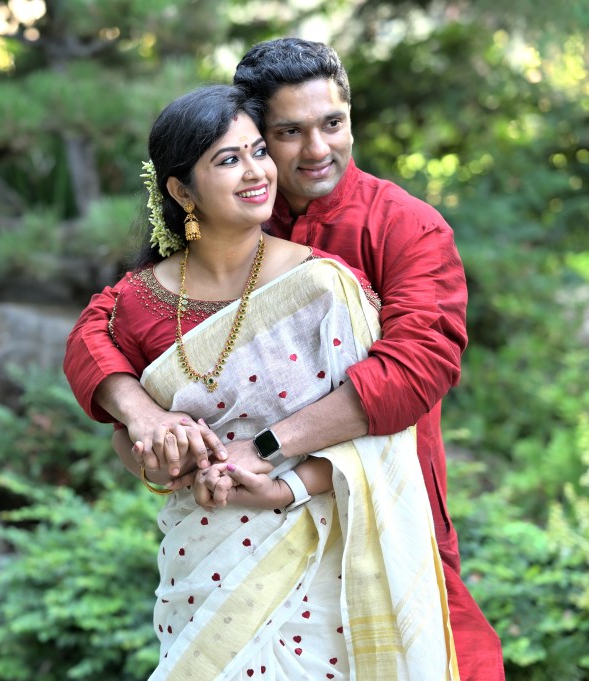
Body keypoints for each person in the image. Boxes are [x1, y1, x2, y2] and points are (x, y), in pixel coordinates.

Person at [63, 38, 504, 680]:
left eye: (333, 123)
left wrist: (266, 452)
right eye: (288, 133)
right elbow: (99, 326)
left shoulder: (403, 227)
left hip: (374, 500)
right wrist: (144, 420)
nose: (317, 149)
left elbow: (411, 373)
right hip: (221, 541)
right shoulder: (228, 229)